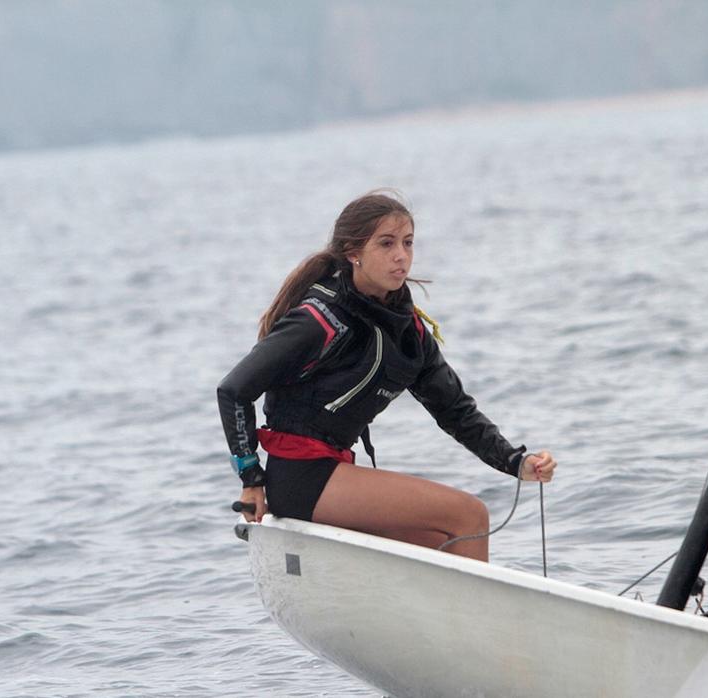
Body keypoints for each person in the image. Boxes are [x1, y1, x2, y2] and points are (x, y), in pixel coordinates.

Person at [217, 190, 555, 562]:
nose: (401, 255)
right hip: (301, 476)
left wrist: (515, 462)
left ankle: (441, 619)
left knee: (441, 541)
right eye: (387, 244)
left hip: (334, 471)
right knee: (469, 515)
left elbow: (455, 410)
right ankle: (475, 619)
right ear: (353, 252)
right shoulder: (318, 319)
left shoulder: (408, 332)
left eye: (408, 243)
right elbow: (233, 390)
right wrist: (251, 480)